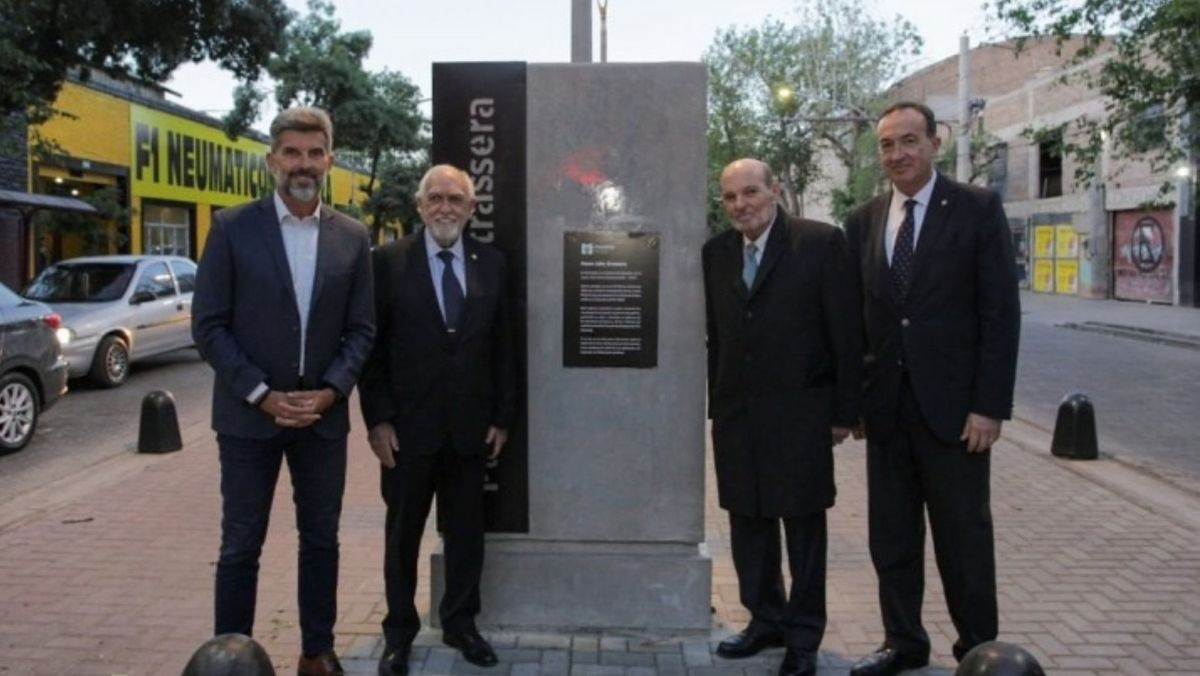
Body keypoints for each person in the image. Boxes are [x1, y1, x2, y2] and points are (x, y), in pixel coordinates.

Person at [192, 106, 375, 676]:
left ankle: (316, 652)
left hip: (322, 421)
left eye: (314, 153)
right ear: (272, 160)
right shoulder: (231, 228)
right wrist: (260, 393)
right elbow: (209, 326)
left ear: (330, 160)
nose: (303, 164)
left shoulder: (352, 237)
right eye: (291, 152)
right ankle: (232, 658)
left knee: (321, 540)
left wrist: (330, 391)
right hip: (249, 421)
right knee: (241, 544)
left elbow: (362, 329)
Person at [843, 102, 1020, 676]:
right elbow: (860, 321)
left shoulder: (975, 209)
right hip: (887, 414)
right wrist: (857, 402)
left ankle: (979, 650)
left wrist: (988, 406)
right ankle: (903, 643)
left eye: (909, 141)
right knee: (891, 539)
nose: (897, 154)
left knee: (963, 539)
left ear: (935, 143)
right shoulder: (864, 220)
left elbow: (999, 315)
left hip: (955, 415)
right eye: (888, 145)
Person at [702, 158, 862, 676]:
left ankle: (803, 636)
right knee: (747, 523)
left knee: (803, 532)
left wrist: (844, 411)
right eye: (730, 197)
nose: (740, 205)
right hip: (738, 416)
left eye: (750, 193)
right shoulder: (716, 254)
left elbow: (846, 331)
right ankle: (764, 619)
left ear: (773, 192)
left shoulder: (818, 242)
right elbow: (719, 336)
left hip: (800, 415)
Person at [358, 164, 515, 676]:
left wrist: (502, 417)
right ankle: (399, 632)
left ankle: (460, 623)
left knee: (467, 532)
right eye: (436, 198)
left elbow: (504, 347)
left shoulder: (491, 263)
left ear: (472, 208)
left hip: (470, 429)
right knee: (402, 534)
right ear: (420, 206)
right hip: (407, 430)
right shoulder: (387, 262)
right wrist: (378, 419)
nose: (446, 208)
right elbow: (372, 348)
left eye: (456, 199)